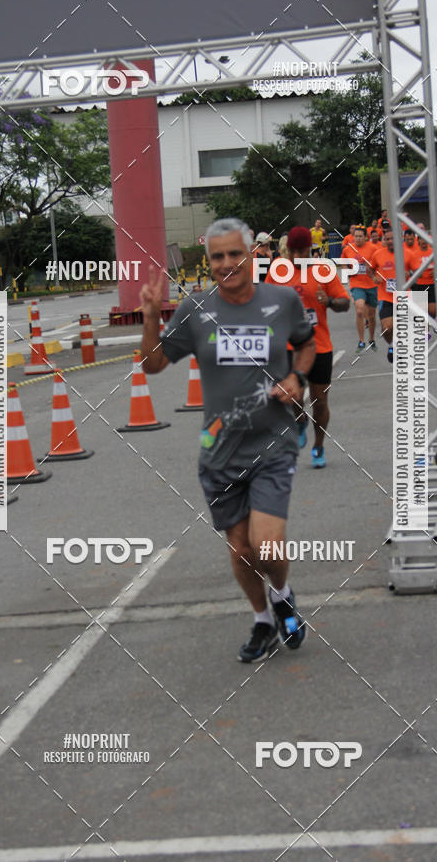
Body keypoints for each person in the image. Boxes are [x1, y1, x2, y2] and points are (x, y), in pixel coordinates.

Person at [140, 217, 316, 663]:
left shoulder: (283, 299)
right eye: (217, 257)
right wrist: (148, 316)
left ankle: (283, 592)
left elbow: (307, 344)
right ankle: (263, 620)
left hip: (274, 442)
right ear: (209, 262)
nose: (226, 264)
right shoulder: (195, 311)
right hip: (219, 451)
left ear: (251, 255)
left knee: (268, 544)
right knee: (240, 549)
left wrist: (297, 377)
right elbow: (154, 365)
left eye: (234, 253)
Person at [266, 226, 350, 468]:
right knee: (292, 398)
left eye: (300, 251)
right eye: (292, 252)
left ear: (310, 250)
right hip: (290, 348)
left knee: (320, 401)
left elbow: (345, 303)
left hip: (319, 346)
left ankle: (318, 446)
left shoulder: (323, 271)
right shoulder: (278, 270)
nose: (295, 257)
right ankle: (300, 420)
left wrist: (330, 301)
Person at [369, 228, 406, 363]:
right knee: (386, 329)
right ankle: (391, 346)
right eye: (387, 239)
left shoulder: (407, 254)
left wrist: (411, 275)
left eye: (392, 238)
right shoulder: (378, 254)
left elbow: (417, 270)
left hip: (403, 297)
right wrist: (374, 277)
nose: (390, 241)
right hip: (385, 296)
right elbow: (370, 269)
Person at [342, 225, 378, 350]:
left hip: (371, 285)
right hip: (356, 284)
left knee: (372, 315)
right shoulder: (348, 249)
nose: (357, 238)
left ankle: (371, 338)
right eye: (355, 236)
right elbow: (344, 264)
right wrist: (348, 271)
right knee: (360, 310)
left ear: (365, 237)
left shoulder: (373, 248)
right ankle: (361, 340)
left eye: (360, 236)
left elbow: (379, 265)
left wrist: (373, 272)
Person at [407, 234, 437, 323]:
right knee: (422, 311)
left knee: (432, 310)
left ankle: (429, 322)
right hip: (419, 285)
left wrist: (435, 271)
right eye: (421, 239)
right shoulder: (414, 254)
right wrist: (415, 273)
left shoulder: (433, 252)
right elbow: (409, 269)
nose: (423, 241)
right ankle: (425, 331)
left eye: (425, 239)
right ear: (418, 241)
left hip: (431, 284)